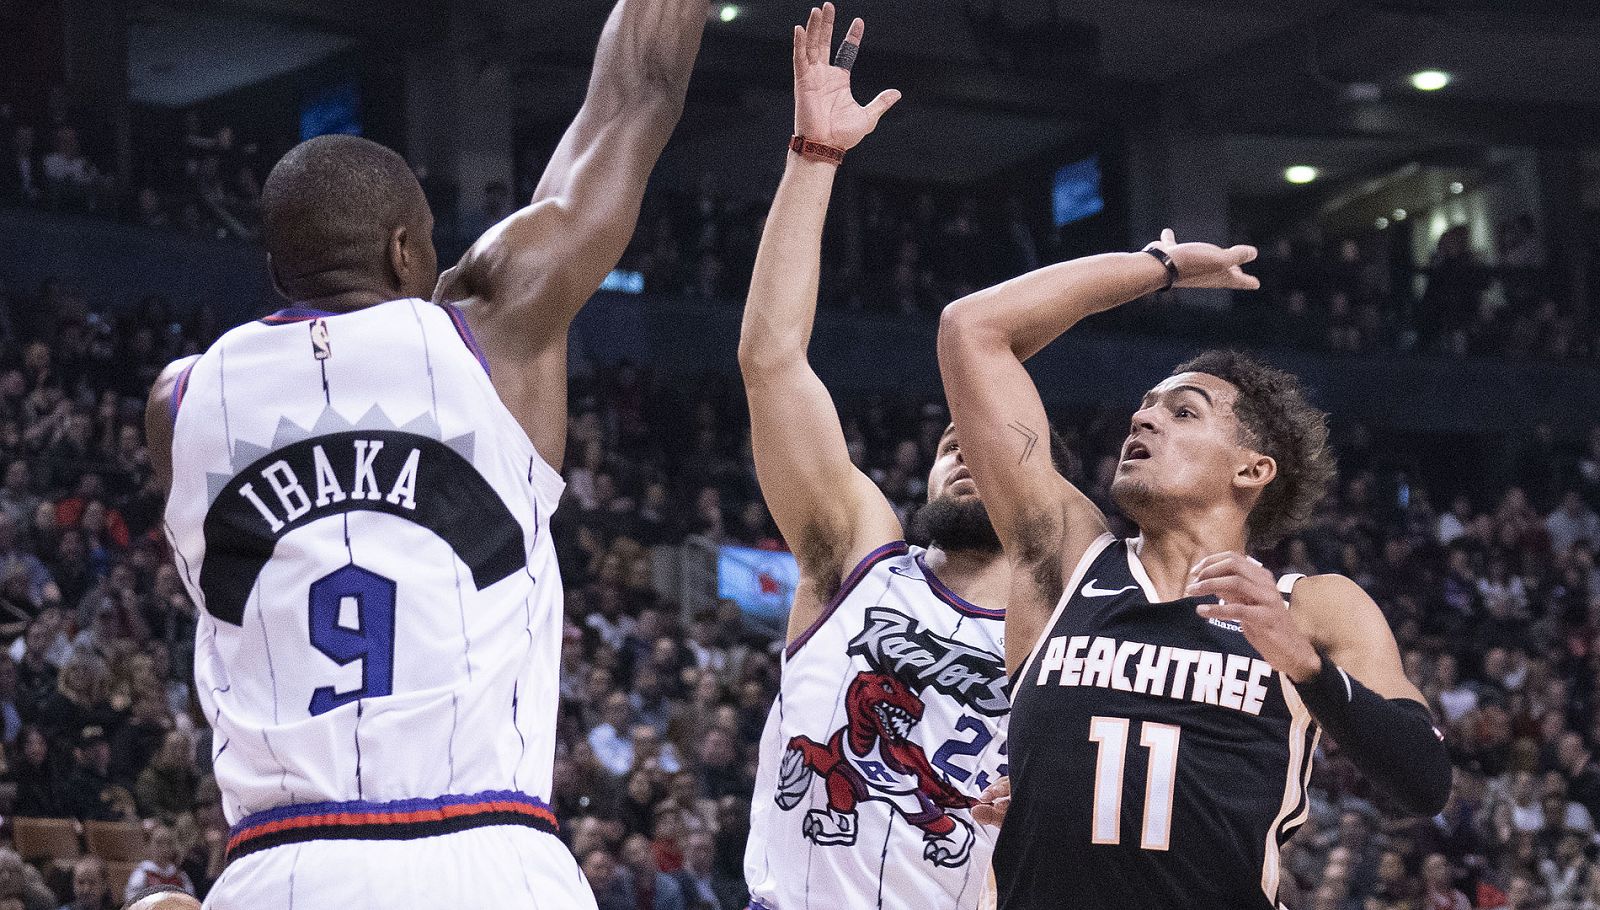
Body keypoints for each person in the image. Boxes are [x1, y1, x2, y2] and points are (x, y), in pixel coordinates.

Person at [143, 0, 709, 905]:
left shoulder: (178, 401)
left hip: (285, 867)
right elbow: (632, 98)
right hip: (487, 855)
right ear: (407, 249)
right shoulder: (493, 340)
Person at [937, 231, 1452, 908]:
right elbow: (970, 328)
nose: (1143, 421)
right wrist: (1161, 268)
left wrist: (1305, 667)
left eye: (1182, 412)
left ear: (1252, 469)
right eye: (1144, 407)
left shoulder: (1313, 607)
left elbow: (1424, 782)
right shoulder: (1064, 561)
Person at [739, 7, 1034, 908]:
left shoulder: (1070, 640)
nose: (965, 454)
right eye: (953, 444)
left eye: (990, 447)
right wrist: (813, 160)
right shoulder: (859, 559)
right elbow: (772, 360)